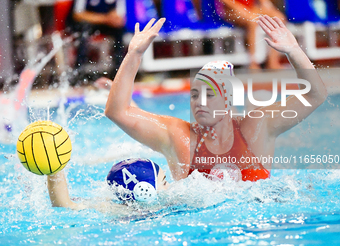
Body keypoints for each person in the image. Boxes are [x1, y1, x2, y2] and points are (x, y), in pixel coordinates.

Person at [105, 15, 328, 182]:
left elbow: (315, 94)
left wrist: (294, 51)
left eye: (210, 94)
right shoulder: (178, 136)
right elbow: (117, 112)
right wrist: (133, 54)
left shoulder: (258, 126)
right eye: (194, 95)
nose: (199, 101)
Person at [191, 0, 286, 69]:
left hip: (250, 8)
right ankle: (253, 62)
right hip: (230, 10)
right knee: (252, 21)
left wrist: (268, 7)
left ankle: (273, 61)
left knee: (279, 18)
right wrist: (240, 8)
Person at [46, 158, 169, 210]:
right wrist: (55, 171)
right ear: (144, 190)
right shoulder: (120, 210)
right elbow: (65, 205)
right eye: (164, 182)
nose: (169, 186)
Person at [66, 0, 126, 85]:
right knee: (83, 31)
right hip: (86, 24)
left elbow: (120, 17)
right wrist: (105, 18)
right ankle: (78, 72)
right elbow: (78, 15)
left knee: (119, 31)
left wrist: (114, 18)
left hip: (105, 24)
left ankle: (118, 72)